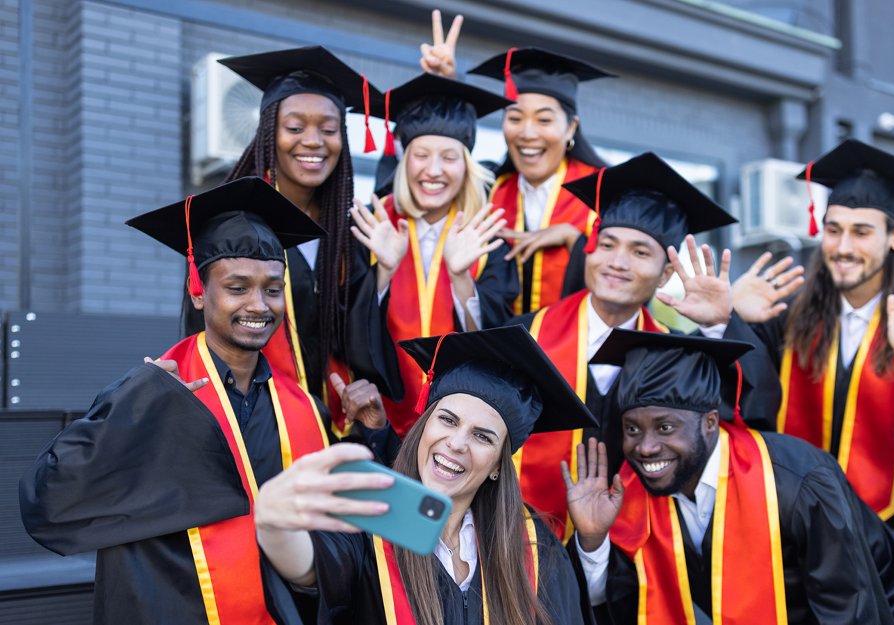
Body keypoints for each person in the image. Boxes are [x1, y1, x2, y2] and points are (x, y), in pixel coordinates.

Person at [18, 178, 372, 624]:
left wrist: (368, 434)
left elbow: (337, 534)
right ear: (199, 291)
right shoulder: (152, 393)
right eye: (238, 287)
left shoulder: (303, 409)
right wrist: (135, 405)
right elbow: (48, 501)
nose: (259, 304)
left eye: (273, 288)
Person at [730, 139, 894, 625]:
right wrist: (724, 321)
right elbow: (740, 403)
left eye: (861, 231)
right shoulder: (784, 319)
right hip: (803, 549)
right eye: (833, 230)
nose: (843, 247)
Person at [505, 152, 781, 540]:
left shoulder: (676, 356)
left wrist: (720, 324)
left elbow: (747, 417)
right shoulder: (523, 337)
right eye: (607, 245)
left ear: (667, 272)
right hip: (522, 538)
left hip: (631, 554)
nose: (617, 262)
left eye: (639, 252)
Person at [254, 326, 597, 625]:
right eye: (448, 420)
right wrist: (273, 523)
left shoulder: (532, 546)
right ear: (423, 425)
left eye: (482, 436)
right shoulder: (375, 512)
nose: (457, 443)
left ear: (497, 466)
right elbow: (310, 569)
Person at [565, 329, 894, 625]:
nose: (646, 447)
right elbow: (622, 608)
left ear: (710, 423)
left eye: (665, 427)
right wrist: (593, 542)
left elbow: (851, 606)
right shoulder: (631, 499)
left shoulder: (797, 483)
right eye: (632, 429)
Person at [181, 46, 391, 435]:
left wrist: (385, 274)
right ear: (269, 134)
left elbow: (361, 344)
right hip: (254, 423)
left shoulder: (349, 231)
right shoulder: (235, 223)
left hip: (337, 421)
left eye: (328, 130)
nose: (313, 141)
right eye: (295, 127)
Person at [349, 73, 519, 436]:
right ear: (404, 160)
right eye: (421, 155)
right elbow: (349, 341)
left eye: (449, 157)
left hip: (461, 427)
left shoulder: (486, 235)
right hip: (382, 421)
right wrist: (384, 272)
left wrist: (461, 278)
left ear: (467, 165)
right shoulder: (374, 225)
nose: (434, 170)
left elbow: (501, 347)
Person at [421, 32, 614, 314]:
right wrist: (444, 88)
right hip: (499, 346)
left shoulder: (604, 192)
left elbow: (627, 282)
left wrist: (573, 239)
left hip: (575, 351)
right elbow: (428, 175)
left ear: (571, 127)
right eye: (514, 117)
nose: (527, 133)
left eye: (544, 119)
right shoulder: (489, 187)